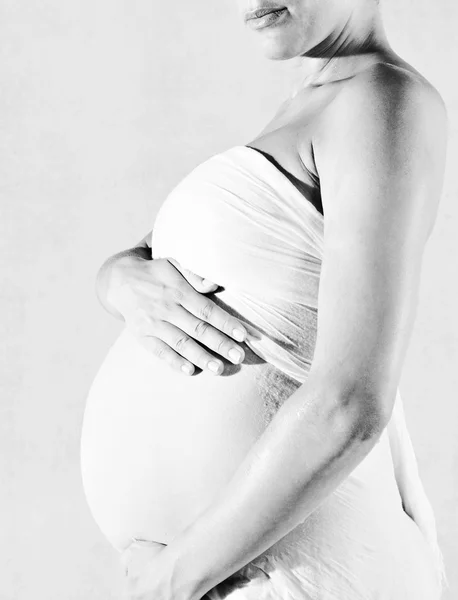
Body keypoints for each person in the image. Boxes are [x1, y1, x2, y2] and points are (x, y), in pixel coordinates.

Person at [80, 0, 449, 598]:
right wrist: (115, 279)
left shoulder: (383, 100)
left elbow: (350, 404)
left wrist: (171, 581)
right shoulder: (311, 107)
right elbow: (149, 258)